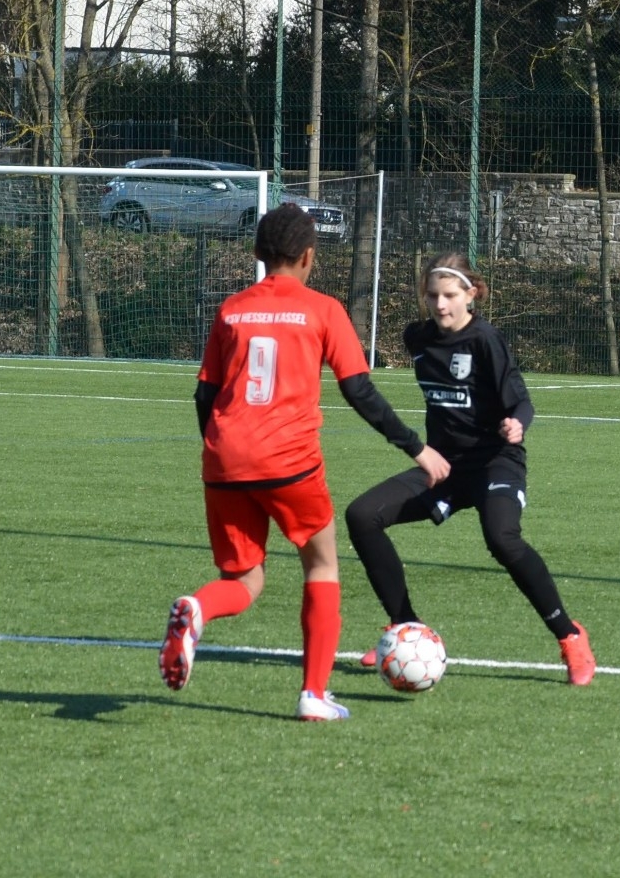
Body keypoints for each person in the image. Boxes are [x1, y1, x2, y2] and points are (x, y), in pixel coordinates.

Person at [159, 203, 450, 721]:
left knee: (244, 580)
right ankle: (313, 694)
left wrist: (224, 451)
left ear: (257, 253)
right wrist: (416, 447)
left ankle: (198, 608)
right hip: (289, 461)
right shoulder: (323, 309)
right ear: (310, 256)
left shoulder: (231, 310)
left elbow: (204, 395)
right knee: (321, 563)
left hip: (224, 459)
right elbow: (359, 391)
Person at [345, 252, 596, 685]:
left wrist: (517, 423)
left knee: (502, 538)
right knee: (362, 515)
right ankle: (405, 627)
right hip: (443, 465)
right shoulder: (417, 338)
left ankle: (569, 635)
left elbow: (521, 400)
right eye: (432, 295)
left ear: (471, 294)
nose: (440, 304)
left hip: (495, 462)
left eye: (449, 295)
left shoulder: (485, 340)